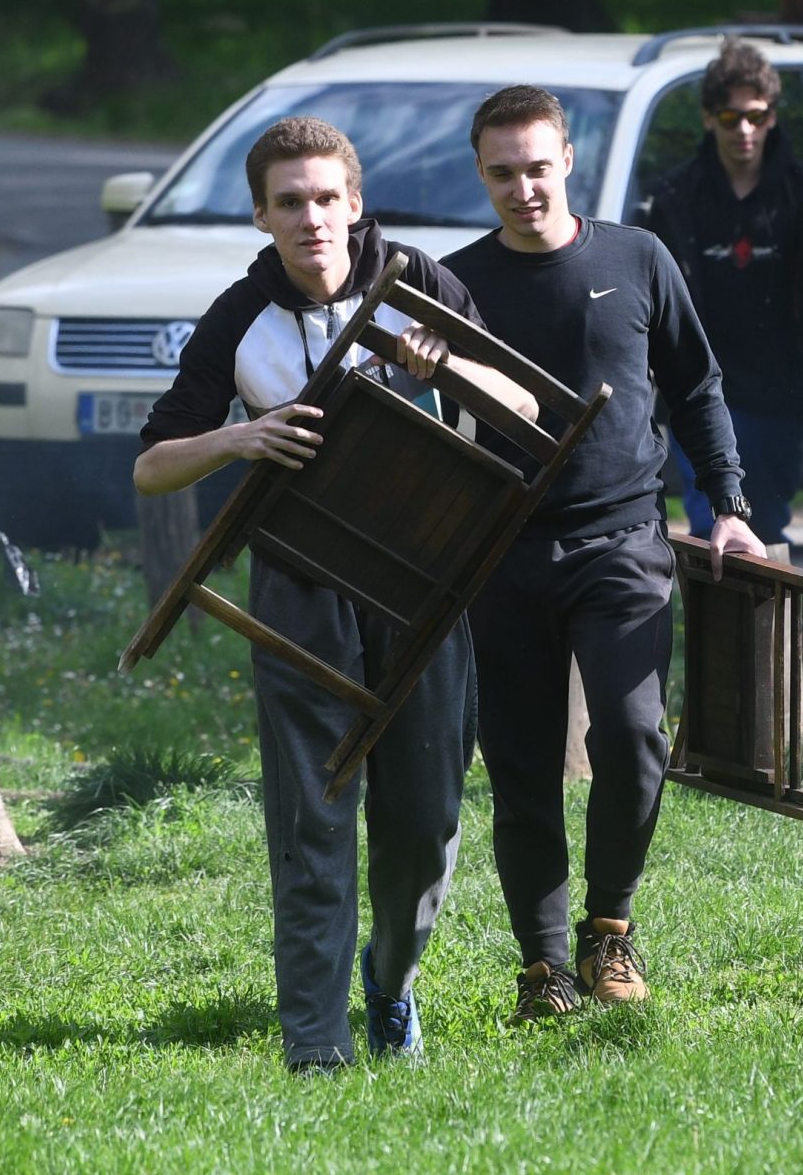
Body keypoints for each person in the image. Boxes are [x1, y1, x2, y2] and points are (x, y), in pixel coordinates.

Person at [133, 115, 539, 1070]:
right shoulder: (239, 315)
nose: (311, 218)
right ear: (262, 215)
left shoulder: (418, 280)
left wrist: (449, 365)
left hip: (424, 578)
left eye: (326, 198)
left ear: (354, 203)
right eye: (290, 203)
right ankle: (316, 1038)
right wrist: (238, 438)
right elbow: (151, 466)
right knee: (312, 813)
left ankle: (391, 982)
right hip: (301, 584)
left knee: (425, 821)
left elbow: (523, 404)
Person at [443, 85, 763, 1024]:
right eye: (502, 174)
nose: (523, 189)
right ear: (481, 175)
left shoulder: (637, 257)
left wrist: (728, 505)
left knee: (630, 737)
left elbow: (696, 386)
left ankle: (609, 929)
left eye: (537, 168)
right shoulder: (459, 283)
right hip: (503, 550)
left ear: (568, 162)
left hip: (622, 538)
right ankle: (542, 967)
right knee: (521, 766)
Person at [640, 37, 803, 553]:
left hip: (784, 389)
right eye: (730, 118)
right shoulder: (676, 198)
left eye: (756, 116)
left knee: (764, 519)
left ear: (772, 116)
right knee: (711, 521)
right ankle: (716, 604)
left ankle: (768, 603)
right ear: (709, 119)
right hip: (699, 386)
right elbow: (648, 294)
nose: (744, 130)